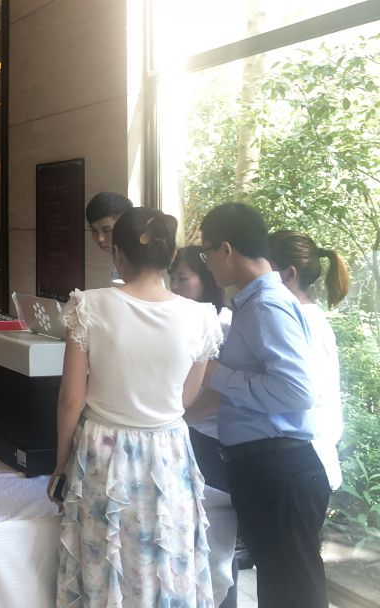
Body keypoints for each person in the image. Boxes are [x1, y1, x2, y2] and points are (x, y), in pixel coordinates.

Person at [50, 207, 218, 607]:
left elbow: (72, 397)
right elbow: (185, 398)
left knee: (104, 559)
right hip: (169, 452)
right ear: (171, 256)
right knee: (165, 556)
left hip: (102, 450)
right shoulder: (201, 317)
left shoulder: (87, 306)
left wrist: (60, 464)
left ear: (117, 253)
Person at [192, 202, 330, 608]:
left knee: (293, 594)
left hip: (280, 467)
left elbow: (297, 391)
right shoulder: (256, 302)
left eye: (206, 252)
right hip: (266, 466)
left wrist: (217, 374)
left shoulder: (267, 304)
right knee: (282, 588)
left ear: (226, 249)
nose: (206, 264)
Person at [170, 246, 239, 608]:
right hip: (192, 436)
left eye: (182, 278)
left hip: (212, 444)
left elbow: (219, 396)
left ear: (208, 280)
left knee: (215, 551)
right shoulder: (182, 322)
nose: (174, 286)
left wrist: (173, 420)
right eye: (171, 278)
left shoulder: (223, 325)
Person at [268, 229, 349, 491]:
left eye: (265, 270)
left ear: (288, 274)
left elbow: (297, 392)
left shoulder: (298, 322)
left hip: (305, 461)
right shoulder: (307, 318)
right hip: (308, 459)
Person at [84, 192, 133, 284]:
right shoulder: (119, 257)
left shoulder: (141, 261)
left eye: (107, 230)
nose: (100, 238)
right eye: (94, 230)